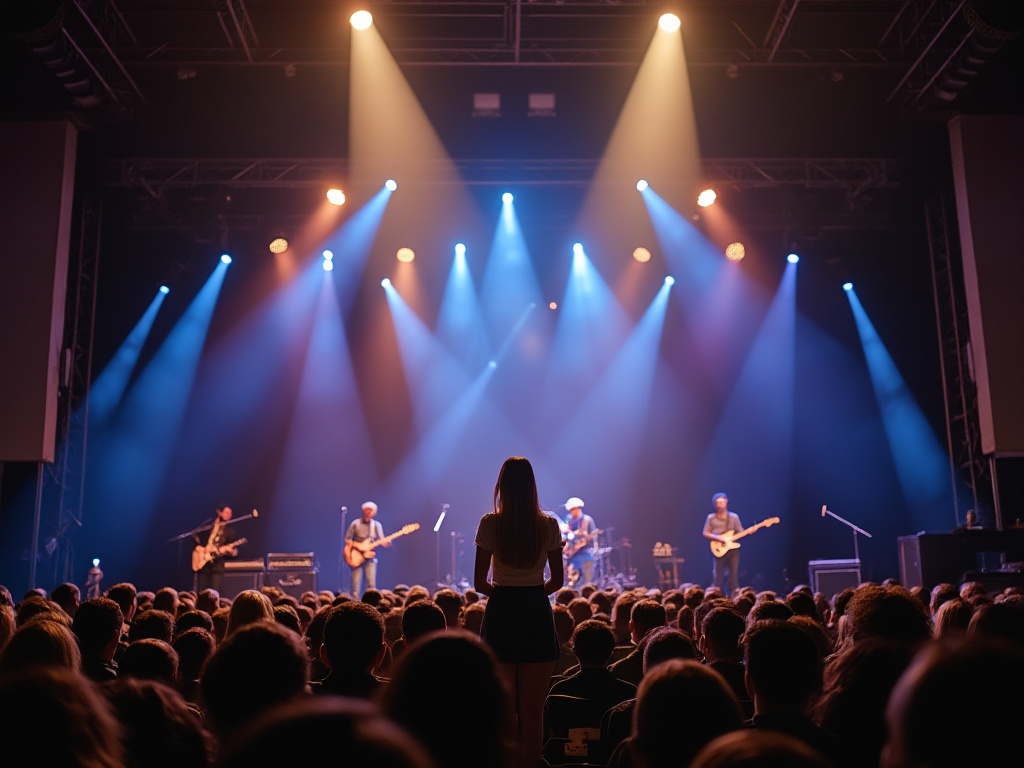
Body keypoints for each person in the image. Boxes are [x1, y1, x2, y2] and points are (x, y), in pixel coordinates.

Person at [474, 456, 564, 768]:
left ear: (502, 487)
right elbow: (558, 580)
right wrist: (532, 593)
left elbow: (478, 582)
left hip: (501, 611)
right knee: (533, 712)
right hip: (536, 611)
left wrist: (505, 593)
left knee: (506, 711)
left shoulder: (489, 523)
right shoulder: (549, 524)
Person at [344, 501, 390, 597]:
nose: (368, 512)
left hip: (370, 557)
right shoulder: (355, 523)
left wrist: (386, 543)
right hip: (356, 555)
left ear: (375, 512)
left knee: (371, 585)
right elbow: (347, 539)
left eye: (371, 510)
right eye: (367, 510)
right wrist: (358, 546)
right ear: (363, 510)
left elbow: (381, 540)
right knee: (355, 585)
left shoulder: (376, 525)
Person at [192, 505, 241, 594]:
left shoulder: (230, 532)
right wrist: (198, 546)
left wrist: (231, 552)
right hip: (203, 563)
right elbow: (194, 534)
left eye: (230, 513)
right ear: (219, 512)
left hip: (217, 566)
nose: (229, 515)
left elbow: (235, 551)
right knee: (202, 592)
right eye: (226, 512)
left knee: (214, 593)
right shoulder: (208, 527)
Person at [703, 493, 743, 596]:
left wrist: (748, 532)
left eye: (722, 502)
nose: (720, 504)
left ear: (726, 502)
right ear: (715, 504)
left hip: (732, 549)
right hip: (717, 549)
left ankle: (734, 595)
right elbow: (705, 532)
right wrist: (718, 538)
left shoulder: (734, 517)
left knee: (733, 573)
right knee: (717, 574)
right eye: (718, 502)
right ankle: (717, 595)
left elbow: (740, 531)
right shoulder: (711, 517)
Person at [564, 496, 597, 586]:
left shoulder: (587, 520)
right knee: (573, 582)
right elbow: (565, 535)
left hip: (585, 554)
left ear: (578, 508)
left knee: (587, 582)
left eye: (572, 509)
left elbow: (593, 536)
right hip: (572, 556)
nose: (571, 512)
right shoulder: (569, 520)